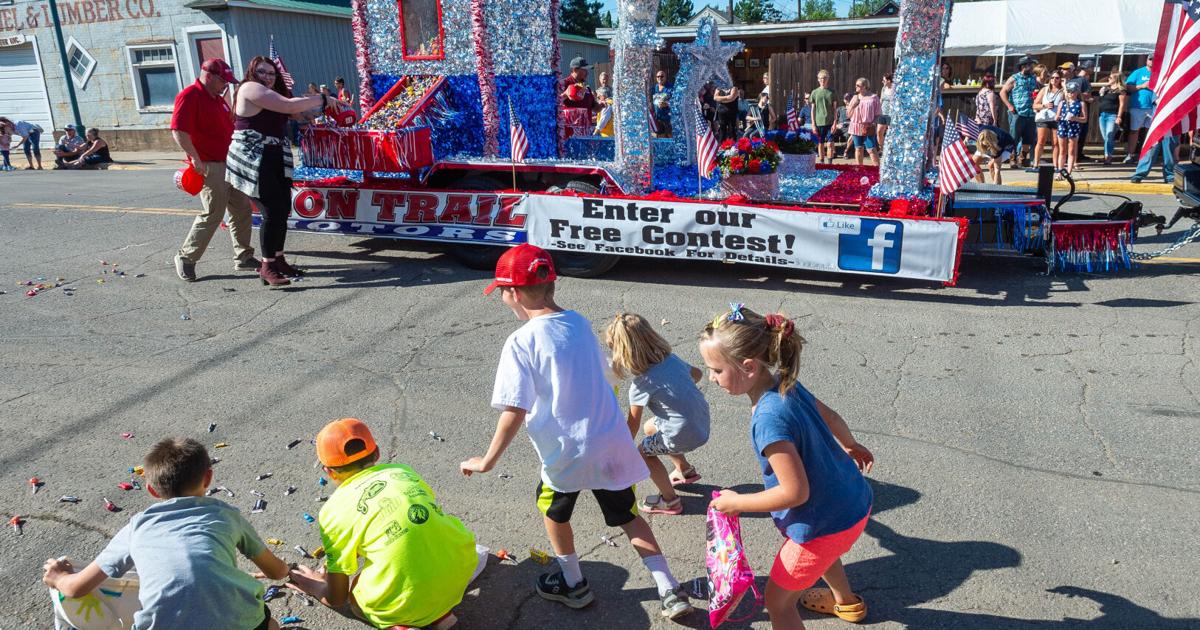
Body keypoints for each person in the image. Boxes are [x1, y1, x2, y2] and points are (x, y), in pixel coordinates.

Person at [461, 244, 694, 619]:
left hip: (564, 452)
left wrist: (488, 460)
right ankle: (669, 588)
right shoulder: (578, 322)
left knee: (555, 512)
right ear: (551, 285)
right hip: (610, 442)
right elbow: (605, 373)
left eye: (502, 291)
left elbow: (514, 409)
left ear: (513, 293)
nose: (502, 298)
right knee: (628, 515)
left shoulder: (520, 341)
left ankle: (573, 582)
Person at [700, 306, 873, 629]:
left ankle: (843, 602)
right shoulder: (785, 382)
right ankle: (847, 604)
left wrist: (736, 502)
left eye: (716, 370)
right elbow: (831, 416)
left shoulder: (767, 419)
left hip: (821, 526)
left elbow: (794, 492)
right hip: (853, 503)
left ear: (748, 367)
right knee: (825, 556)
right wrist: (850, 445)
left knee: (778, 603)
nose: (711, 377)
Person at [41, 438, 291, 628]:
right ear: (208, 478)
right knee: (270, 625)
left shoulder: (137, 527)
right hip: (242, 621)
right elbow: (277, 572)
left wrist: (57, 578)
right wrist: (288, 570)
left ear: (151, 490)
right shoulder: (226, 515)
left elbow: (75, 589)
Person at [287, 418, 480, 629]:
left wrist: (316, 585)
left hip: (408, 602)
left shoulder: (333, 512)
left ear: (329, 471)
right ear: (377, 453)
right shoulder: (403, 472)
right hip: (462, 569)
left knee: (356, 596)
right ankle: (439, 612)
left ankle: (404, 622)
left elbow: (337, 597)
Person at [227, 55, 328, 287]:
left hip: (274, 156)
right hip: (254, 158)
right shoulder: (250, 88)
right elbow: (289, 106)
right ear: (253, 72)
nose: (267, 77)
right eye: (262, 72)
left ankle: (278, 259)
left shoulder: (273, 96)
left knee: (282, 209)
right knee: (271, 211)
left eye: (271, 73)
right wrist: (323, 97)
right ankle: (267, 266)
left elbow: (298, 115)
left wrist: (326, 109)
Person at [604, 313, 710, 516]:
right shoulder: (671, 360)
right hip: (701, 422)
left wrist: (619, 451)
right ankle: (684, 469)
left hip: (683, 433)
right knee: (651, 428)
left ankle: (670, 501)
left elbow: (632, 426)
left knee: (643, 453)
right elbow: (697, 374)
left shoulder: (642, 384)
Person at [171, 58, 260, 282]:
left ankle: (244, 256)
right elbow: (179, 131)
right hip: (211, 164)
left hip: (230, 163)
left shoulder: (217, 100)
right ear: (208, 76)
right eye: (223, 81)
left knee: (242, 209)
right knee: (213, 213)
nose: (225, 86)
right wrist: (196, 158)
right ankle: (186, 257)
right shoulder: (190, 95)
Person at [999, 56, 1039, 169]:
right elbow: (1003, 92)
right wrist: (1009, 105)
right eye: (1029, 65)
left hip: (1031, 113)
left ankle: (1022, 158)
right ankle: (1012, 159)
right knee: (1014, 137)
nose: (1032, 67)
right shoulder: (1014, 78)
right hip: (1017, 112)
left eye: (1032, 65)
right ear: (1023, 66)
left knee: (1028, 138)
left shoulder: (1033, 78)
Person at [1031, 70, 1065, 170]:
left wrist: (1065, 86)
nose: (1054, 80)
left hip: (1056, 118)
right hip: (1044, 118)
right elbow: (1035, 104)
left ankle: (1055, 165)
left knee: (1056, 143)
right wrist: (1044, 105)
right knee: (1041, 141)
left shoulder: (1063, 91)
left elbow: (1068, 101)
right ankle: (1035, 164)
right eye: (1052, 78)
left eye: (1057, 78)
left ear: (1060, 79)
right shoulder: (1044, 90)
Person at [1125, 53, 1156, 164]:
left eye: (1154, 59)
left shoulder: (1159, 72)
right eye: (1150, 59)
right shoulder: (1138, 72)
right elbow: (1127, 86)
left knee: (1150, 132)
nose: (1152, 61)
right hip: (1138, 106)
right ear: (1146, 60)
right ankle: (1130, 154)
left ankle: (1147, 156)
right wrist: (1142, 86)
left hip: (1154, 106)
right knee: (1134, 131)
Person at [560, 57, 598, 139]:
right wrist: (565, 94)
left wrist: (602, 105)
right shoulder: (563, 84)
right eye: (584, 70)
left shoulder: (586, 89)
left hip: (585, 134)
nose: (587, 73)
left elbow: (594, 108)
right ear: (574, 70)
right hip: (568, 137)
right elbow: (551, 104)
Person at [1055, 83, 1087, 179]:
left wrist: (1075, 118)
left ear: (1077, 92)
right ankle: (1060, 172)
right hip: (1063, 126)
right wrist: (1059, 117)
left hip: (1073, 127)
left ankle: (1068, 173)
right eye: (1068, 91)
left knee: (1071, 151)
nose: (1070, 94)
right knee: (1062, 151)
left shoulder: (1081, 104)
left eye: (1072, 92)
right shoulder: (1062, 103)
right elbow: (1056, 117)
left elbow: (1085, 119)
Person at [847, 77, 881, 167]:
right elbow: (848, 115)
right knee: (858, 149)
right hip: (856, 126)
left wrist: (873, 123)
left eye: (858, 85)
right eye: (856, 85)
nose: (856, 87)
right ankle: (860, 169)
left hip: (868, 127)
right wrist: (853, 106)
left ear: (865, 86)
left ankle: (878, 171)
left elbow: (878, 114)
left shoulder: (874, 97)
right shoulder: (854, 98)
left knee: (872, 149)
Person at [1097, 71, 1128, 164]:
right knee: (1105, 137)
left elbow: (1122, 105)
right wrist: (1102, 92)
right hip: (1102, 114)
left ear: (1116, 79)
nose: (1108, 79)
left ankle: (1108, 156)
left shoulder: (1121, 91)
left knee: (1109, 136)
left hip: (1112, 115)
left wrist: (1119, 117)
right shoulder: (1106, 89)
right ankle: (1106, 155)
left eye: (1110, 78)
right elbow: (1101, 100)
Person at [1069, 61, 1096, 163]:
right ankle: (1077, 156)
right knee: (1080, 133)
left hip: (1072, 109)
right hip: (1081, 109)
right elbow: (1087, 95)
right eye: (1092, 67)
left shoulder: (1073, 79)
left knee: (1074, 134)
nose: (1093, 70)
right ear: (1088, 68)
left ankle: (1075, 156)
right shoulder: (1084, 80)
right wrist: (1088, 98)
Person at [810, 70, 836, 164]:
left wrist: (835, 122)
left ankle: (830, 163)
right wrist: (813, 124)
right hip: (818, 122)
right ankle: (822, 163)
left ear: (828, 79)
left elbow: (835, 109)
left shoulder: (832, 92)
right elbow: (812, 109)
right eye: (821, 78)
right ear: (818, 79)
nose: (822, 80)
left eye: (824, 78)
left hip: (830, 122)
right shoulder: (814, 92)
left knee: (830, 143)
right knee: (820, 144)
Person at [877, 73, 895, 151]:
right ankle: (883, 149)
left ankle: (891, 150)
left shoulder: (895, 89)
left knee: (891, 133)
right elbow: (881, 99)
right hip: (882, 113)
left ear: (889, 80)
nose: (882, 81)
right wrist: (878, 110)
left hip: (891, 114)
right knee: (879, 132)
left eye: (884, 80)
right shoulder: (883, 88)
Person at [652, 70, 673, 137]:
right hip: (657, 118)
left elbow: (676, 101)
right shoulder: (655, 88)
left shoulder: (671, 87)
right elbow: (652, 99)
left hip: (668, 119)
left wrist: (667, 104)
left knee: (669, 137)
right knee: (660, 137)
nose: (659, 78)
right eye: (658, 76)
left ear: (665, 77)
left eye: (661, 76)